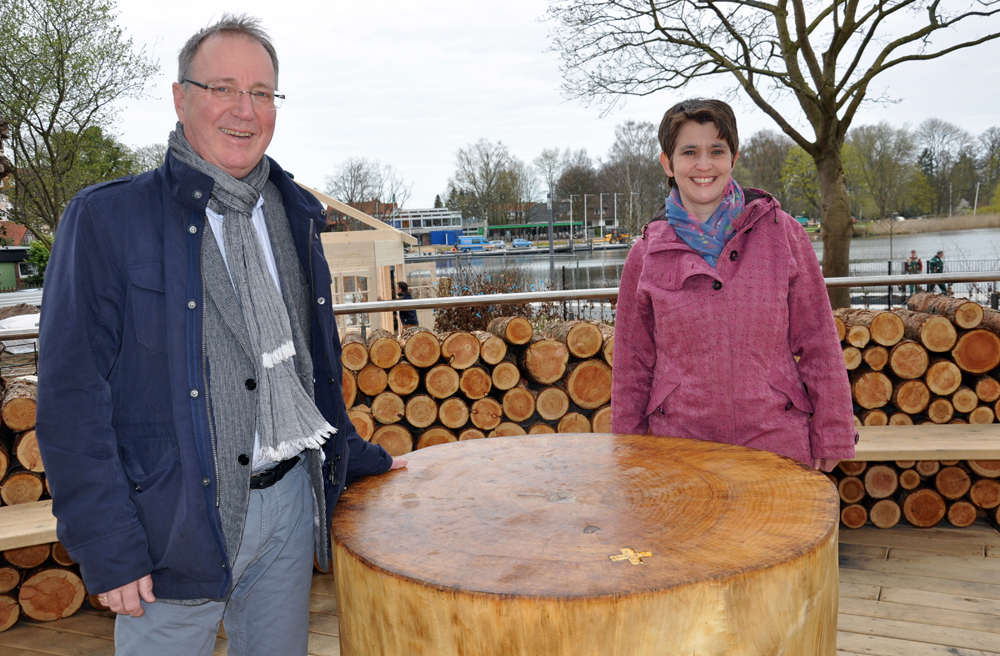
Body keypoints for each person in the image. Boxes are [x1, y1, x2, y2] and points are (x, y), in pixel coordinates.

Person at [36, 15, 405, 656]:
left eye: (262, 93)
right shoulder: (106, 219)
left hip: (287, 506)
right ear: (181, 97)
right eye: (223, 88)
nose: (245, 109)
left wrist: (357, 459)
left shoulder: (293, 213)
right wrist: (108, 546)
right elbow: (71, 397)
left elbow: (308, 370)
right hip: (171, 527)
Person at [611, 99, 856, 473]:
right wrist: (628, 449)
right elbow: (632, 364)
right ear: (668, 163)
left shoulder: (782, 233)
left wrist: (832, 432)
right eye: (689, 152)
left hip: (776, 441)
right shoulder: (646, 254)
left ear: (733, 158)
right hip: (681, 448)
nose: (704, 165)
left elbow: (819, 339)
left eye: (716, 151)